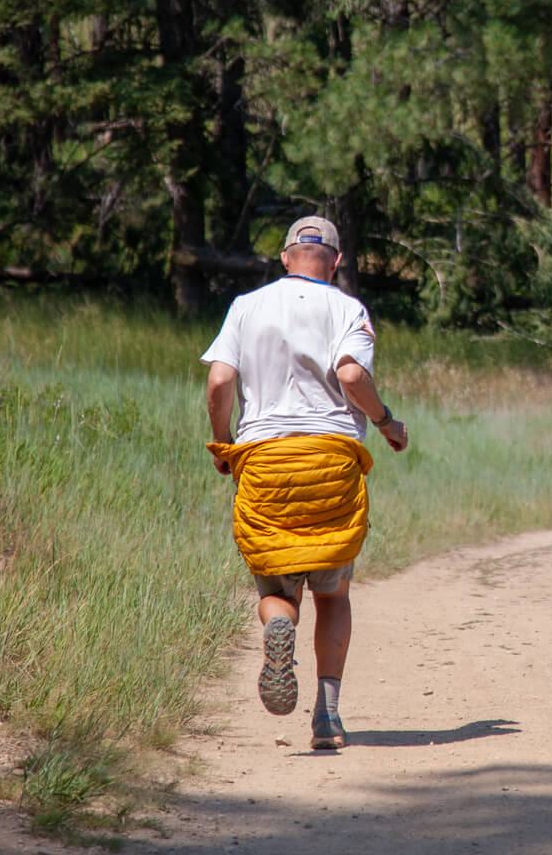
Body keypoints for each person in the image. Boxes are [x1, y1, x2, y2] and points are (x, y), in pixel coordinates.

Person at [200, 215, 409, 750]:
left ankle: (279, 625)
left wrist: (224, 443)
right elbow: (352, 375)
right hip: (330, 461)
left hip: (265, 461)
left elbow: (220, 378)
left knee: (277, 587)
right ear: (336, 263)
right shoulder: (347, 308)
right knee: (334, 593)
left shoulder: (246, 306)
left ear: (287, 257)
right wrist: (386, 424)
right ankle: (327, 717)